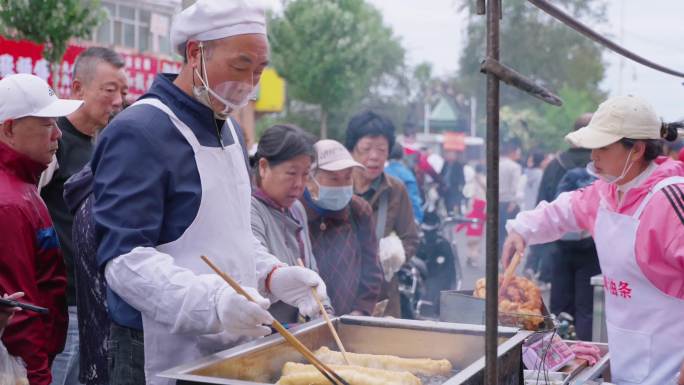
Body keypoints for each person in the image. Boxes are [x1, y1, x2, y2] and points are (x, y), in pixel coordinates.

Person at [89, 2, 329, 384]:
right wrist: (213, 303)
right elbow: (124, 262)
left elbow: (229, 236)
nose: (250, 82)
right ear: (195, 52)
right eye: (240, 66)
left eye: (259, 70)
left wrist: (272, 274)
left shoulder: (230, 130)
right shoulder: (141, 131)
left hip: (228, 348)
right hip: (157, 353)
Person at [502, 95, 684, 385]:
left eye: (603, 147)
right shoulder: (607, 192)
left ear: (636, 150)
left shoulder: (670, 199)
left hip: (671, 366)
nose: (593, 155)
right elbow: (562, 210)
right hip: (629, 360)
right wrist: (521, 230)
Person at [38, 47, 127, 385]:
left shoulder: (103, 145)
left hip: (94, 305)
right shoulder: (51, 141)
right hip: (60, 307)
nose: (118, 100)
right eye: (110, 90)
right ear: (77, 88)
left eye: (123, 91)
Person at [0, 73, 83, 385]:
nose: (59, 135)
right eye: (48, 124)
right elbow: (18, 309)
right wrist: (37, 376)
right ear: (9, 128)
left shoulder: (23, 188)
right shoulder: (9, 202)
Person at [251, 125, 332, 323]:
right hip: (268, 331)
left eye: (305, 174)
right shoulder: (249, 209)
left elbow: (311, 269)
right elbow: (254, 269)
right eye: (291, 173)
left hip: (300, 328)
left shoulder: (297, 209)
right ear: (263, 167)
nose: (299, 184)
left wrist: (326, 311)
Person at [346, 110, 419, 318]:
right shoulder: (335, 185)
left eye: (381, 149)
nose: (374, 156)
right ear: (351, 150)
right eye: (367, 149)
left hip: (381, 297)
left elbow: (411, 238)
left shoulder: (396, 190)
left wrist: (393, 256)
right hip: (339, 294)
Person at [302, 139, 383, 316]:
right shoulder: (296, 210)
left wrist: (360, 311)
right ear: (310, 179)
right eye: (333, 178)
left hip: (349, 318)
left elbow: (372, 270)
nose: (342, 184)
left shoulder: (359, 210)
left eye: (347, 177)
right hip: (305, 320)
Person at [384, 143, 423, 223]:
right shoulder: (407, 175)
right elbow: (413, 200)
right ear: (402, 155)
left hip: (383, 219)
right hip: (403, 220)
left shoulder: (382, 173)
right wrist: (418, 219)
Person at [498, 138, 522, 256]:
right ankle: (506, 257)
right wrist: (514, 202)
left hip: (496, 201)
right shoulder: (515, 167)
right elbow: (515, 187)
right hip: (508, 202)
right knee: (509, 232)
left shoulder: (497, 164)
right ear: (512, 152)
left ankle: (496, 256)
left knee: (498, 231)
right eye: (517, 152)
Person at [439, 148, 466, 215]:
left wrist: (461, 185)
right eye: (448, 155)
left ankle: (457, 214)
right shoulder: (445, 164)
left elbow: (461, 176)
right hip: (445, 187)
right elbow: (442, 174)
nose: (449, 156)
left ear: (455, 156)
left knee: (455, 202)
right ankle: (449, 214)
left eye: (451, 155)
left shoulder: (458, 165)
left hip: (454, 187)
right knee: (446, 202)